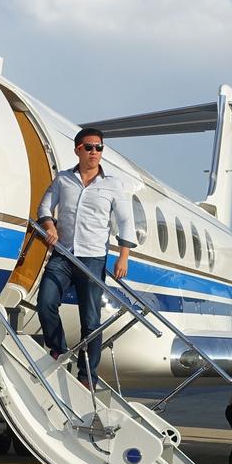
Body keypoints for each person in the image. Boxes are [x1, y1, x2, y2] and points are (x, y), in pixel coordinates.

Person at [35, 126, 134, 386]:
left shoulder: (112, 185)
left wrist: (123, 256)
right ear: (78, 149)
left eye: (99, 148)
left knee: (91, 320)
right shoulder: (63, 180)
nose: (94, 152)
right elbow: (44, 206)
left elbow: (125, 220)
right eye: (89, 147)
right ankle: (57, 349)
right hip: (64, 255)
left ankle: (87, 373)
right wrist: (50, 226)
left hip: (93, 259)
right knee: (45, 302)